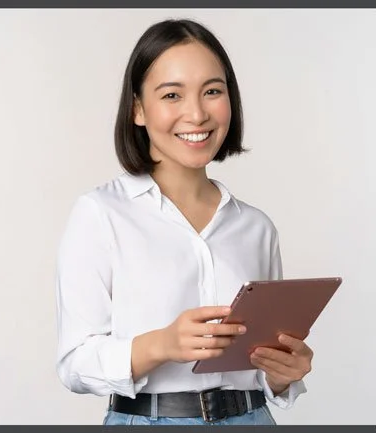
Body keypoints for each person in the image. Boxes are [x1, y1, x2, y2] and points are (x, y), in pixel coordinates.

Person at [52, 19, 313, 426]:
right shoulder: (100, 214)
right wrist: (163, 344)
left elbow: (263, 370)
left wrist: (283, 374)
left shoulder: (257, 228)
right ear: (138, 108)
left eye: (212, 91)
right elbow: (73, 364)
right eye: (172, 94)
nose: (196, 113)